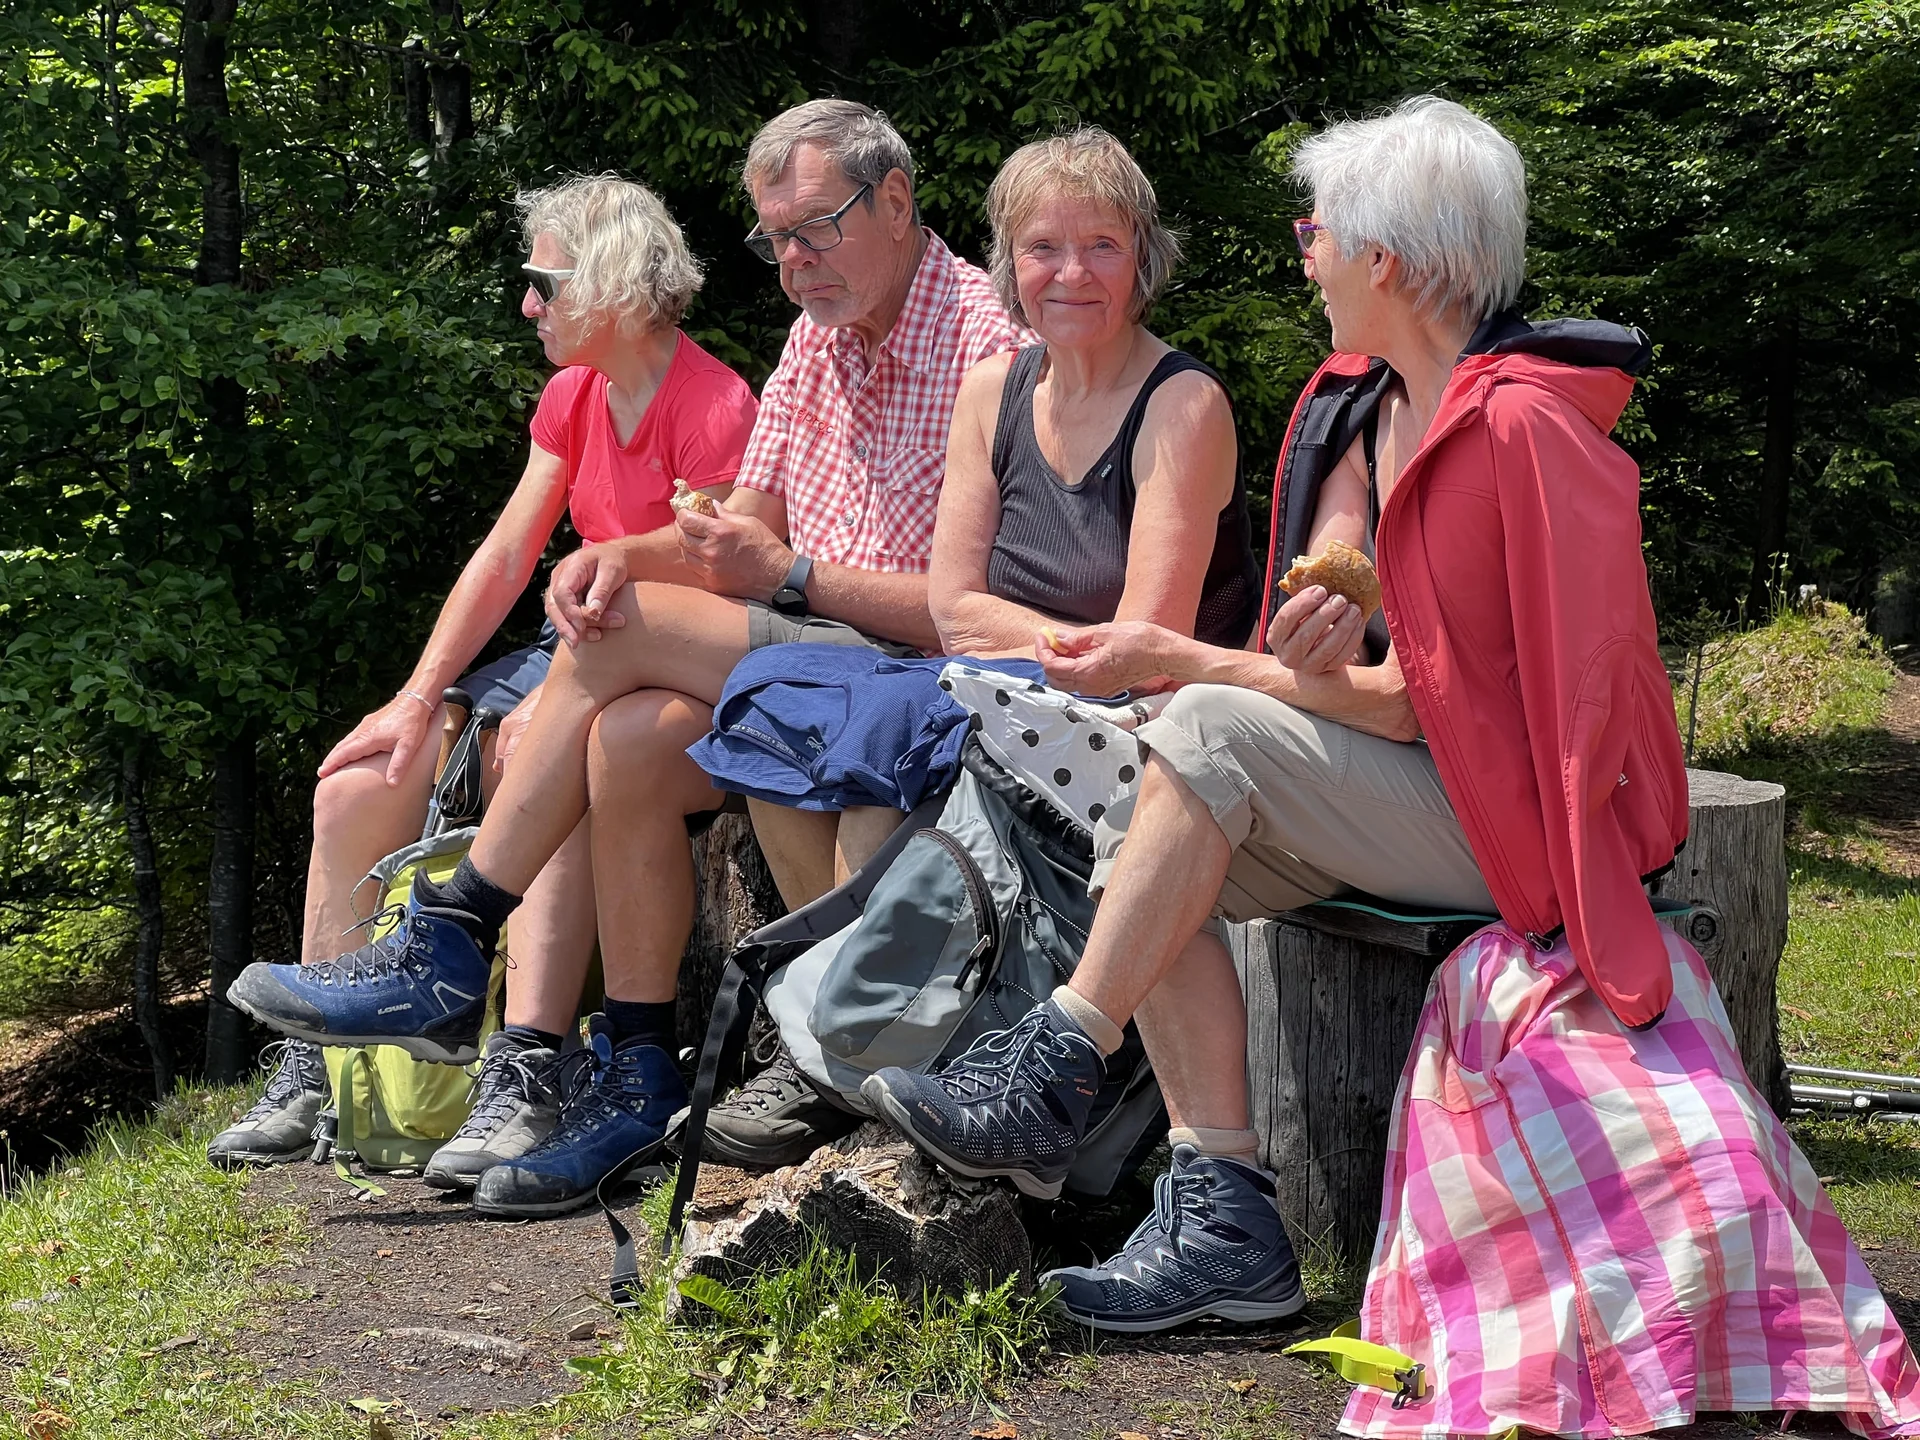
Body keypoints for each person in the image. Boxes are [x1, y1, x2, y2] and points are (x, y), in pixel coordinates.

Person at [862, 95, 1691, 1332]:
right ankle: (1227, 1218)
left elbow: (1422, 709)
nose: (1302, 250)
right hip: (1418, 791)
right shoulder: (1369, 402)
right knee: (1137, 820)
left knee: (1201, 731)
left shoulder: (1519, 427)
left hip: (1530, 833)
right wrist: (1317, 611)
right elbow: (1349, 592)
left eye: (1320, 230)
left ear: (1388, 258)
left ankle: (1056, 1064)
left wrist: (1197, 660)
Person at [226, 100, 1031, 1216]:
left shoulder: (988, 336)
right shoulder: (813, 337)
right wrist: (631, 552)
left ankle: (450, 942)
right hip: (818, 656)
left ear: (896, 200)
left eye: (815, 229)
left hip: (913, 662)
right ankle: (641, 1069)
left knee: (621, 633)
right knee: (628, 737)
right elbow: (732, 534)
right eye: (775, 241)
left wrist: (741, 573)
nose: (794, 264)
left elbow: (964, 604)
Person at [698, 124, 1262, 1167]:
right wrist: (1044, 636)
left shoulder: (1183, 405)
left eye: (1100, 245)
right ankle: (840, 1043)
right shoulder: (994, 393)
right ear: (1010, 266)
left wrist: (1030, 637)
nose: (1071, 273)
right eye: (1043, 249)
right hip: (1003, 690)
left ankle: (866, 1055)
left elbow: (1144, 644)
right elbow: (955, 607)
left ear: (1144, 256)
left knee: (885, 740)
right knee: (791, 714)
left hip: (1145, 726)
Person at [205, 174, 758, 1178]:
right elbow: (508, 556)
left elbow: (724, 569)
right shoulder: (574, 395)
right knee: (358, 778)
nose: (528, 305)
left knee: (525, 752)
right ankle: (315, 1066)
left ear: (614, 287)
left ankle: (526, 1065)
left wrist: (613, 571)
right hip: (580, 640)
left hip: (673, 654)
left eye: (545, 283)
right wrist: (417, 698)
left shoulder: (715, 404)